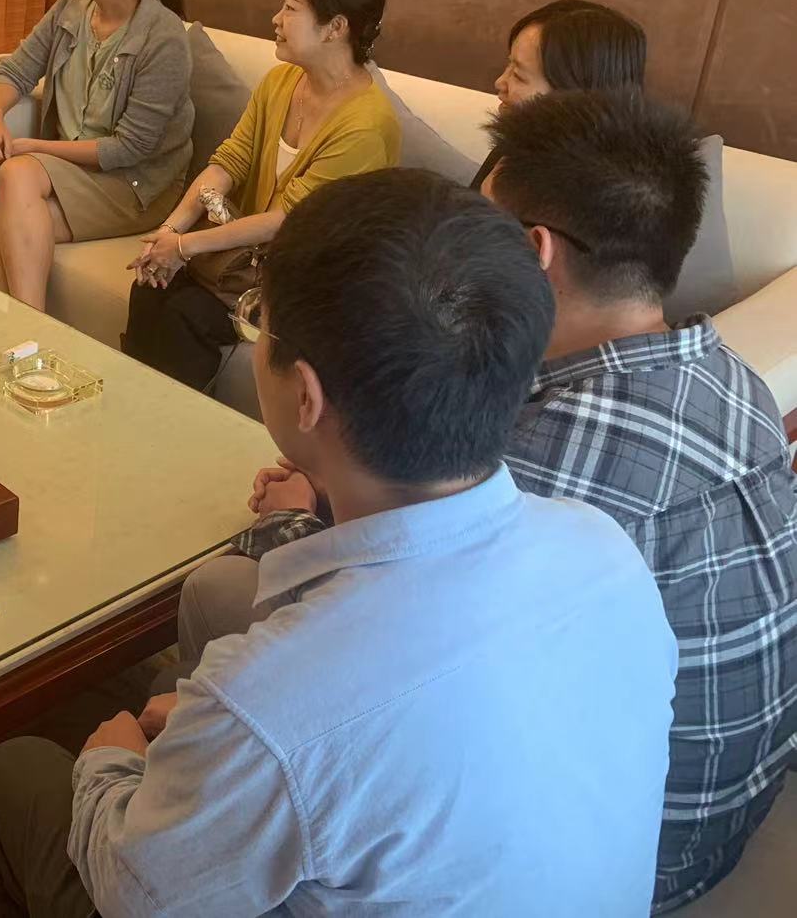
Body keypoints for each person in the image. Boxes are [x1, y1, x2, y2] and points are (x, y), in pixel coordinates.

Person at [0, 168, 678, 917]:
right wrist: (232, 746)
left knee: (14, 770)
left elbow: (133, 889)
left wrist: (110, 763)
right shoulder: (607, 555)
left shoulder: (275, 700)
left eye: (258, 321)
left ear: (305, 396)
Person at [204, 92, 796, 914]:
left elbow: (364, 632)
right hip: (737, 794)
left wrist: (300, 515)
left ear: (529, 252)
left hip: (631, 844)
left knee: (225, 594)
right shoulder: (732, 377)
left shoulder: (545, 455)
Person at [122, 0, 400, 390]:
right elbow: (229, 161)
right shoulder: (281, 81)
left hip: (303, 283)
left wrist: (186, 247)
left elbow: (287, 221)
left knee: (186, 315)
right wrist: (171, 232)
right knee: (150, 284)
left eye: (290, 8)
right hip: (244, 262)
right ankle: (126, 410)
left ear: (335, 27)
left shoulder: (366, 125)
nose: (276, 19)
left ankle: (167, 423)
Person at [0, 0, 195, 312]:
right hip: (76, 172)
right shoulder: (70, 7)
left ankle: (29, 333)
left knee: (17, 174)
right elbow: (14, 72)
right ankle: (27, 344)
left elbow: (128, 148)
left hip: (136, 185)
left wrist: (33, 147)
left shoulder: (164, 38)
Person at [471, 0, 645, 187]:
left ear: (572, 96)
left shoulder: (596, 191)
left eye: (519, 76)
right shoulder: (521, 141)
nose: (500, 82)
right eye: (509, 64)